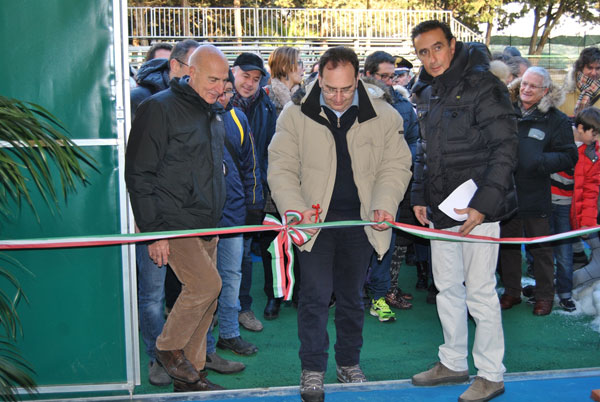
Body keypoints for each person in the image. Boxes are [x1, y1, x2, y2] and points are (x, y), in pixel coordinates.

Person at [268, 46, 412, 402]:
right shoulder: (294, 113)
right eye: (330, 88)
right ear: (319, 76)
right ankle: (312, 370)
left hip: (362, 222)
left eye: (345, 89)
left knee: (352, 298)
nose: (337, 96)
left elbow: (395, 166)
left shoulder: (385, 114)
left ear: (358, 78)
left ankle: (349, 363)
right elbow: (281, 167)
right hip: (313, 223)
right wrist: (296, 210)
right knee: (314, 298)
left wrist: (382, 206)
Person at [409, 20, 518, 402]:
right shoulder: (423, 90)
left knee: (482, 293)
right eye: (423, 51)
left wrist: (483, 207)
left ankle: (491, 374)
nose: (431, 58)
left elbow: (505, 150)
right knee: (446, 289)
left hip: (478, 211)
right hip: (441, 209)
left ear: (452, 46)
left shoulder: (485, 85)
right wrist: (419, 194)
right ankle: (453, 362)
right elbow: (423, 151)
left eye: (437, 48)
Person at [125, 44, 230, 392]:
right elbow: (138, 174)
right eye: (213, 79)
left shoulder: (213, 113)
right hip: (172, 221)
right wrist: (153, 232)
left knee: (207, 300)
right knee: (206, 286)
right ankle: (166, 347)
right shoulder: (157, 108)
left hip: (207, 222)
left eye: (224, 81)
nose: (220, 87)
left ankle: (191, 378)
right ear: (190, 73)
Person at [129, 38, 200, 387]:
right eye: (194, 67)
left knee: (194, 288)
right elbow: (141, 173)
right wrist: (152, 230)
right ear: (174, 67)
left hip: (190, 219)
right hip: (157, 219)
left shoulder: (199, 105)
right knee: (153, 294)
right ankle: (156, 355)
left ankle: (194, 356)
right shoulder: (146, 103)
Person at [499, 67, 577, 316]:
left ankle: (545, 296)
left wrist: (539, 161)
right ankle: (511, 291)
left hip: (536, 192)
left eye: (533, 86)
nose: (526, 89)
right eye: (524, 84)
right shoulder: (504, 111)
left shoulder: (556, 119)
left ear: (546, 91)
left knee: (541, 248)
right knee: (508, 246)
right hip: (506, 191)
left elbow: (569, 155)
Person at [362, 50, 420, 318]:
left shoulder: (403, 105)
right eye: (382, 76)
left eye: (392, 76)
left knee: (386, 241)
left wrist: (399, 165)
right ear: (368, 74)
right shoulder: (351, 102)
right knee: (359, 243)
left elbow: (413, 142)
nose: (388, 81)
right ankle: (357, 292)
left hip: (389, 186)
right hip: (358, 186)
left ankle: (381, 295)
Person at [231, 53, 279, 323]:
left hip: (252, 190)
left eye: (256, 78)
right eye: (245, 76)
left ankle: (243, 307)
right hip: (221, 191)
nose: (250, 83)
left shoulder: (266, 106)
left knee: (245, 253)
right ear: (234, 72)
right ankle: (218, 312)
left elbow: (269, 150)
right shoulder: (218, 102)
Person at [550, 106, 600, 311]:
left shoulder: (592, 154)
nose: (596, 138)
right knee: (543, 250)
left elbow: (589, 191)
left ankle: (563, 291)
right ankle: (543, 289)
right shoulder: (560, 139)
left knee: (564, 252)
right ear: (581, 128)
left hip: (567, 207)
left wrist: (586, 224)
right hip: (545, 202)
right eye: (594, 133)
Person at [130, 39, 199, 117]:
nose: (199, 74)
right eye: (193, 68)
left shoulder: (206, 98)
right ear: (174, 65)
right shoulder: (139, 99)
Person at [560, 46, 600, 118]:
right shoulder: (562, 95)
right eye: (590, 68)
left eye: (598, 68)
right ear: (581, 67)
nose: (594, 73)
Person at [267, 46, 305, 116]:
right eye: (299, 63)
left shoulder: (305, 97)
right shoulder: (265, 96)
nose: (304, 69)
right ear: (284, 67)